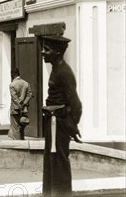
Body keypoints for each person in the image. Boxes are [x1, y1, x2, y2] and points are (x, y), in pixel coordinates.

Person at [41, 35, 82, 197]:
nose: (43, 52)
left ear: (58, 52)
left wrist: (70, 126)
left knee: (59, 162)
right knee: (51, 161)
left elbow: (76, 104)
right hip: (53, 122)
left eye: (47, 49)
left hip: (59, 123)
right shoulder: (56, 69)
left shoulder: (64, 72)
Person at [8, 68, 33, 140]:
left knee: (16, 128)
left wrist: (20, 106)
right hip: (24, 109)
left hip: (15, 109)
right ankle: (23, 143)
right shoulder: (26, 83)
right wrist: (24, 104)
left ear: (12, 74)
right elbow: (29, 95)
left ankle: (18, 146)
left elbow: (14, 98)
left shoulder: (12, 85)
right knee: (22, 127)